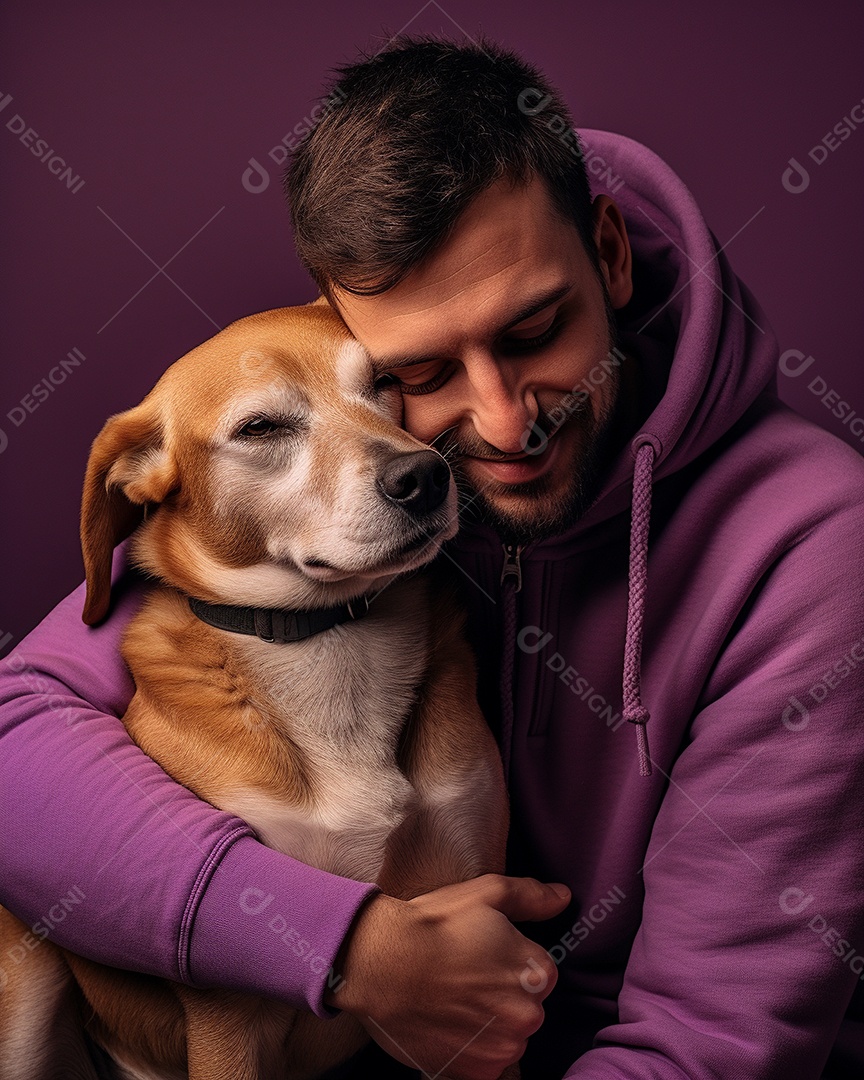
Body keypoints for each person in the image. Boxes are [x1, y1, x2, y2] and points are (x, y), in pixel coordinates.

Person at [2, 37, 863, 1080]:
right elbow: (16, 747)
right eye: (419, 371)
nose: (503, 426)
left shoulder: (818, 550)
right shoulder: (350, 506)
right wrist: (351, 949)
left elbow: (711, 1046)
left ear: (612, 252)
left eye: (537, 331)